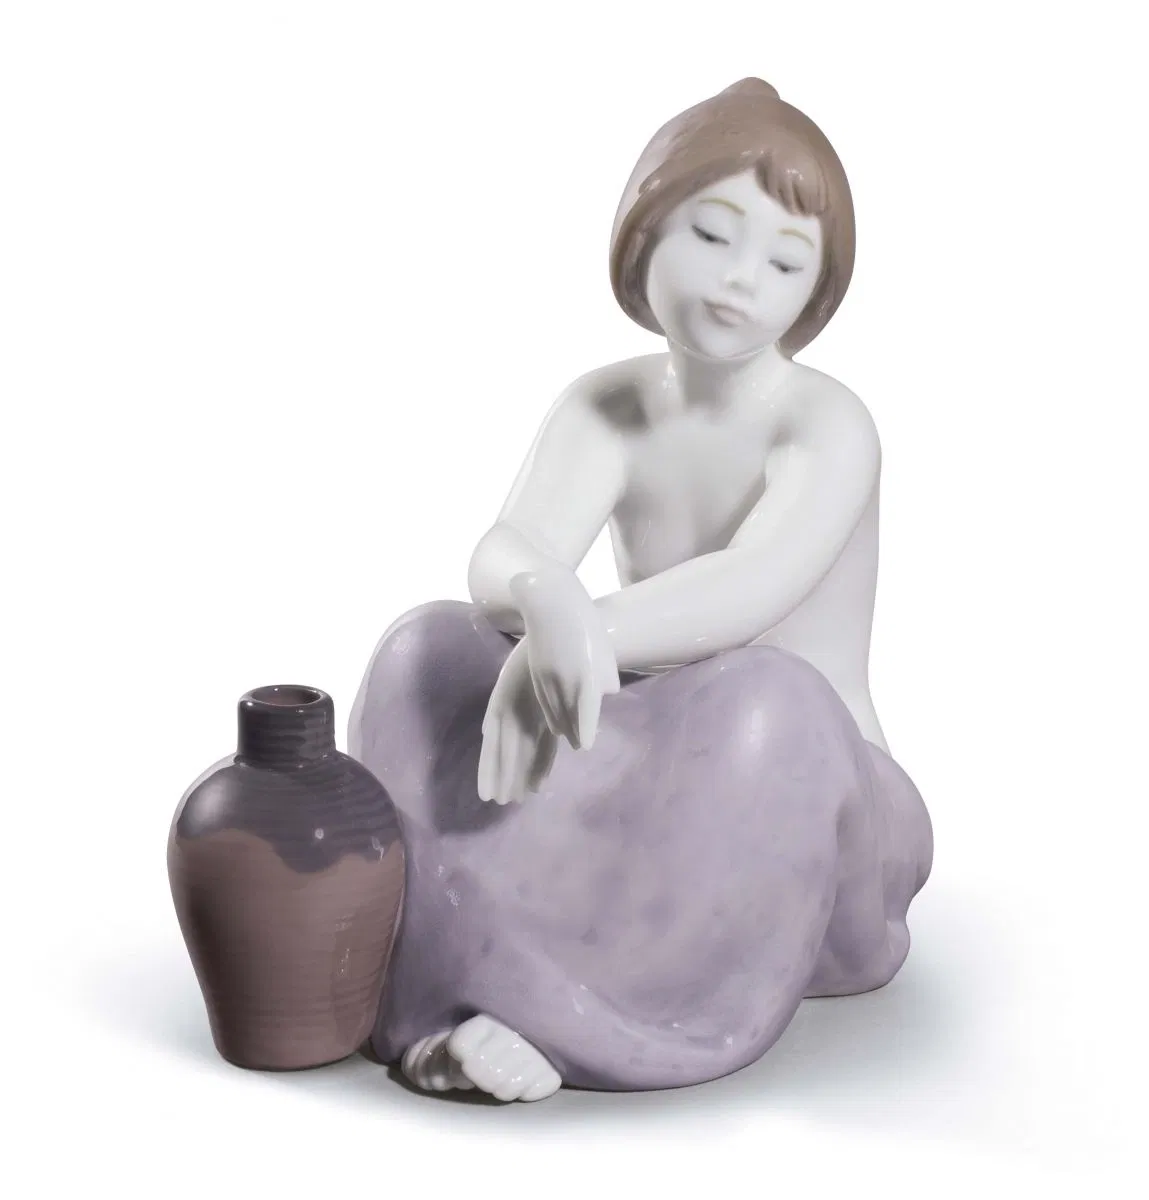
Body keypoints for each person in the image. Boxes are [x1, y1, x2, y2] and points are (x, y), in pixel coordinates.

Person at [349, 78, 932, 1102]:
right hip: (664, 749)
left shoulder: (827, 426)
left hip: (815, 795)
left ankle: (592, 1022)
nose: (742, 279)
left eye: (785, 261)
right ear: (645, 230)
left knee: (768, 698)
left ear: (816, 291)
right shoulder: (608, 405)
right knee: (427, 650)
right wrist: (545, 600)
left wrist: (581, 634)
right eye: (711, 235)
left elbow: (751, 589)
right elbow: (509, 550)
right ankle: (415, 963)